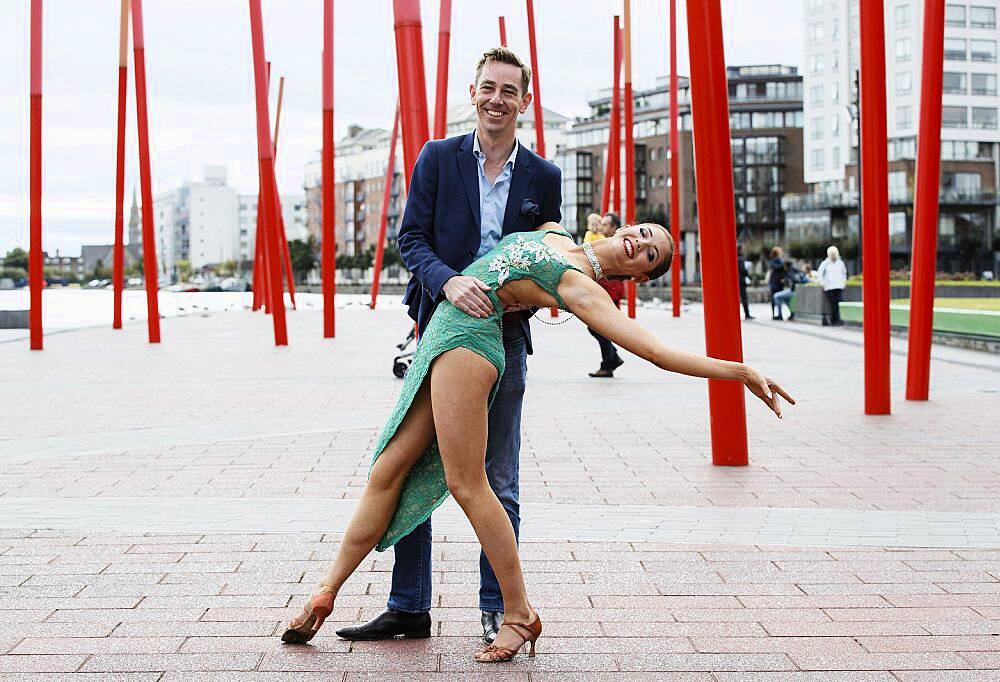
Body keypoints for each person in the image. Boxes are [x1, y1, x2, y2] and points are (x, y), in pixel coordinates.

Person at [281, 220, 795, 663]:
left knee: (468, 484)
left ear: (638, 276)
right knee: (387, 471)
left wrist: (738, 370)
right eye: (644, 231)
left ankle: (519, 612)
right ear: (625, 227)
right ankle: (325, 593)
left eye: (652, 252)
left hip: (469, 345)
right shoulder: (557, 235)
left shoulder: (583, 288)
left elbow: (657, 352)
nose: (641, 241)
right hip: (440, 336)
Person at [333, 47, 562, 648]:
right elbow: (412, 239)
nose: (496, 99)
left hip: (505, 344)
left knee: (499, 478)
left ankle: (497, 607)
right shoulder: (437, 159)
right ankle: (408, 606)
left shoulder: (544, 176)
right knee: (410, 469)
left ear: (524, 101)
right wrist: (448, 281)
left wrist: (544, 297)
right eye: (488, 87)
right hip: (437, 335)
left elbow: (547, 254)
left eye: (508, 91)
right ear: (473, 92)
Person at [587, 212, 626, 377]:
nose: (601, 227)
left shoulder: (617, 244)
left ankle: (608, 363)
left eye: (605, 224)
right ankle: (612, 358)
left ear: (613, 227)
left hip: (610, 291)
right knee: (596, 327)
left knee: (599, 327)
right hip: (604, 288)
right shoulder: (603, 242)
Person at [817, 245, 848, 326]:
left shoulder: (840, 263)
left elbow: (844, 273)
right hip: (829, 287)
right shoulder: (825, 263)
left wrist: (844, 282)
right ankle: (834, 320)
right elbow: (819, 274)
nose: (834, 255)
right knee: (833, 304)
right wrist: (822, 283)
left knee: (840, 303)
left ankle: (839, 320)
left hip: (839, 286)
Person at [767, 246, 787, 320]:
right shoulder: (774, 261)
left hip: (779, 281)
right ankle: (775, 314)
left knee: (778, 298)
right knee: (774, 298)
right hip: (775, 281)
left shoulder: (780, 260)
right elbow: (777, 267)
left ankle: (779, 313)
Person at [737, 244, 753, 320]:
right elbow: (743, 270)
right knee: (744, 298)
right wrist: (749, 276)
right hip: (741, 280)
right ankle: (747, 314)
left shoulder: (735, 258)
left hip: (736, 280)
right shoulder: (741, 259)